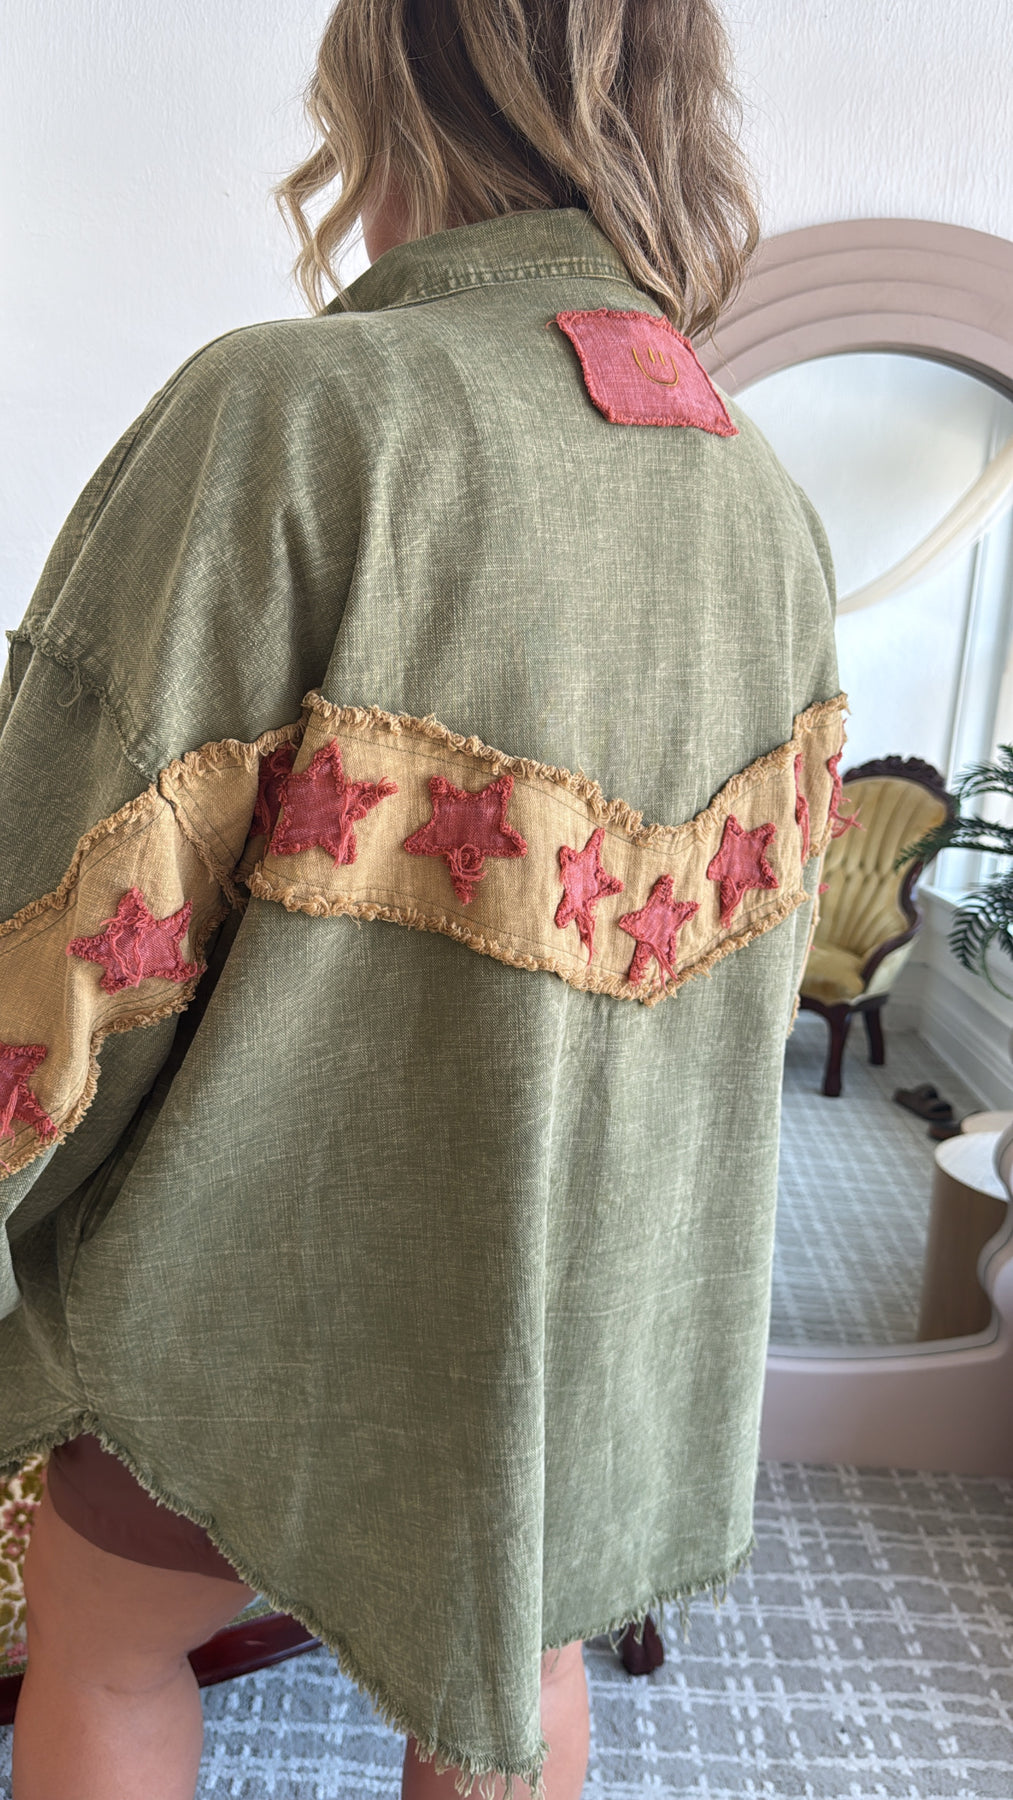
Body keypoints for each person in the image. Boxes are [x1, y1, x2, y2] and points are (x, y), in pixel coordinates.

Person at [0, 2, 845, 1796]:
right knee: (516, 1663)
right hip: (582, 1312)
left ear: (385, 88)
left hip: (261, 1287)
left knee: (110, 1642)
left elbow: (74, 901)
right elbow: (750, 977)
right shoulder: (757, 495)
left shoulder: (300, 413)